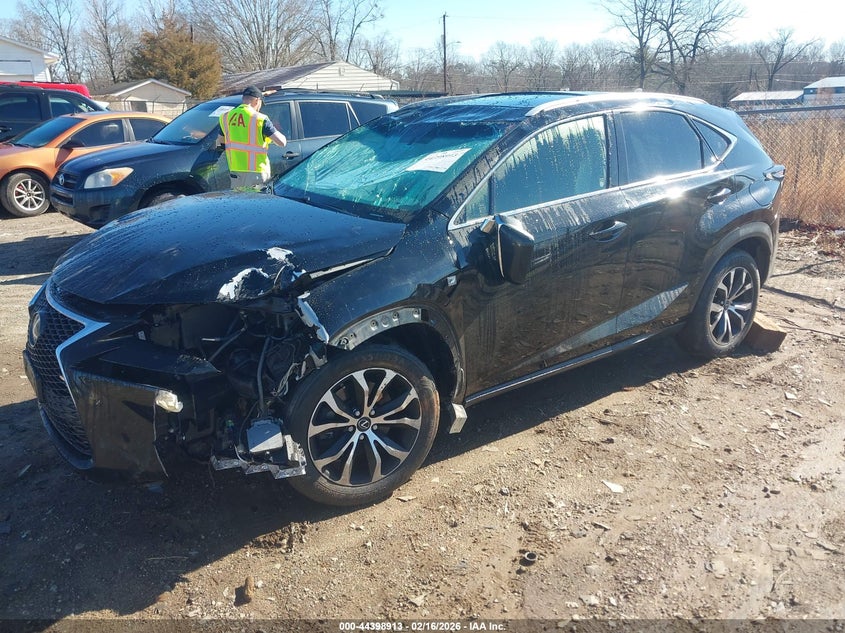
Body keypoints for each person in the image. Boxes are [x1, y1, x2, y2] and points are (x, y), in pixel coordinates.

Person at [219, 85, 287, 191]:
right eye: (260, 104)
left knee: (239, 204)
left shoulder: (225, 117)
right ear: (257, 101)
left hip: (235, 171)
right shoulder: (260, 119)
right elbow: (282, 142)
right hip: (257, 172)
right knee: (257, 205)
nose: (259, 107)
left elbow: (221, 142)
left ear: (243, 99)